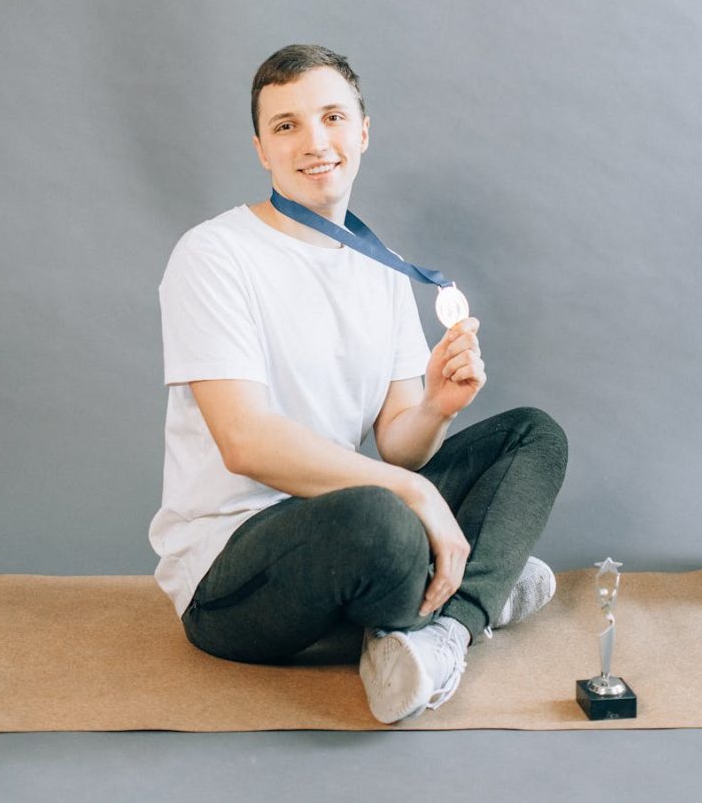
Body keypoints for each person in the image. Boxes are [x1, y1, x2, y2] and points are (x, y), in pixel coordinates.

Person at [149, 44, 567, 724]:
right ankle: (478, 583)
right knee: (383, 518)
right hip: (230, 572)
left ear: (363, 131)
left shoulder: (382, 269)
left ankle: (443, 631)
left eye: (332, 117)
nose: (314, 142)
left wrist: (434, 406)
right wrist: (412, 493)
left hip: (353, 522)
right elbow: (245, 442)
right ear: (262, 148)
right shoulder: (214, 255)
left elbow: (401, 447)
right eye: (286, 126)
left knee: (532, 436)